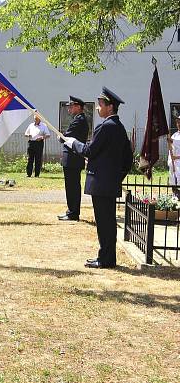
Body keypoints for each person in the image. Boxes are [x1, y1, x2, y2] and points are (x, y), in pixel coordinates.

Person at [62, 87, 132, 269]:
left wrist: (73, 143)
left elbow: (89, 151)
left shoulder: (106, 126)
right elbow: (127, 159)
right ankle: (107, 257)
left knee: (104, 222)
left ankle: (106, 259)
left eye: (100, 105)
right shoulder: (119, 127)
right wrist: (117, 177)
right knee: (107, 222)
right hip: (108, 182)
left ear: (110, 107)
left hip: (101, 183)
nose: (98, 108)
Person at [58, 96, 90, 221]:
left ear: (78, 107)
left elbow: (66, 136)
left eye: (71, 106)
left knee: (72, 187)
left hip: (73, 159)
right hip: (72, 159)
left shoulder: (79, 120)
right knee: (71, 186)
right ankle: (71, 211)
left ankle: (73, 213)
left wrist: (61, 136)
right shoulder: (78, 119)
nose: (69, 109)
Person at [169, 115, 180, 197]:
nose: (179, 124)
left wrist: (176, 157)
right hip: (173, 164)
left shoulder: (174, 138)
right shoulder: (174, 135)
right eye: (177, 122)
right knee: (173, 181)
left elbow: (177, 143)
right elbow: (171, 149)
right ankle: (175, 197)